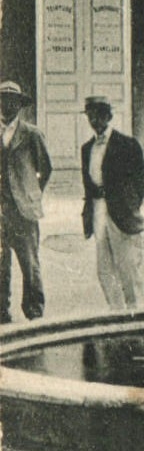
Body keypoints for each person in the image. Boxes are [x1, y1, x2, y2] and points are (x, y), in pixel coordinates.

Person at [80, 95, 144, 310]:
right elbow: (88, 184)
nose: (95, 121)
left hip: (121, 212)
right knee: (104, 269)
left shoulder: (127, 145)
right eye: (91, 116)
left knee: (127, 265)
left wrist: (129, 204)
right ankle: (116, 312)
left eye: (99, 116)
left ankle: (136, 311)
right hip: (97, 210)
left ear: (108, 116)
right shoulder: (87, 149)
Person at [0, 80, 52, 323]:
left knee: (29, 264)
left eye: (12, 101)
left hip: (24, 211)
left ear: (20, 105)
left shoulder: (31, 134)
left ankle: (34, 313)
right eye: (3, 100)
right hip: (1, 212)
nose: (7, 105)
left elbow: (45, 168)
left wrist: (30, 193)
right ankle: (2, 312)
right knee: (1, 264)